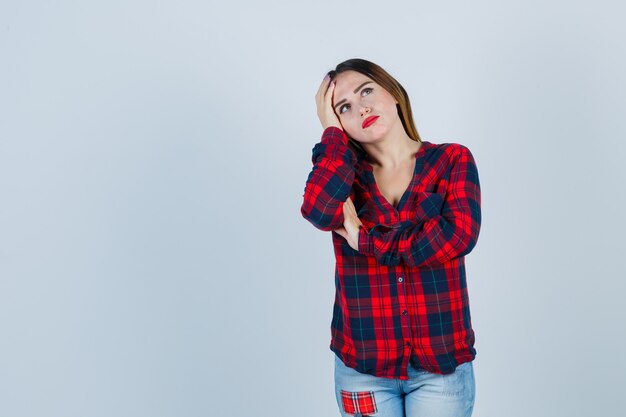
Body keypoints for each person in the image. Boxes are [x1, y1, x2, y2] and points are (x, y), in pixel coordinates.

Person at [300, 58, 482, 417]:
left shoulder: (451, 160)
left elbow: (458, 235)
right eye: (344, 108)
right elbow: (319, 210)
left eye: (366, 91)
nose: (361, 108)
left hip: (440, 368)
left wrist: (364, 240)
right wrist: (331, 133)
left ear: (393, 93)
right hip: (362, 371)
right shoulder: (342, 173)